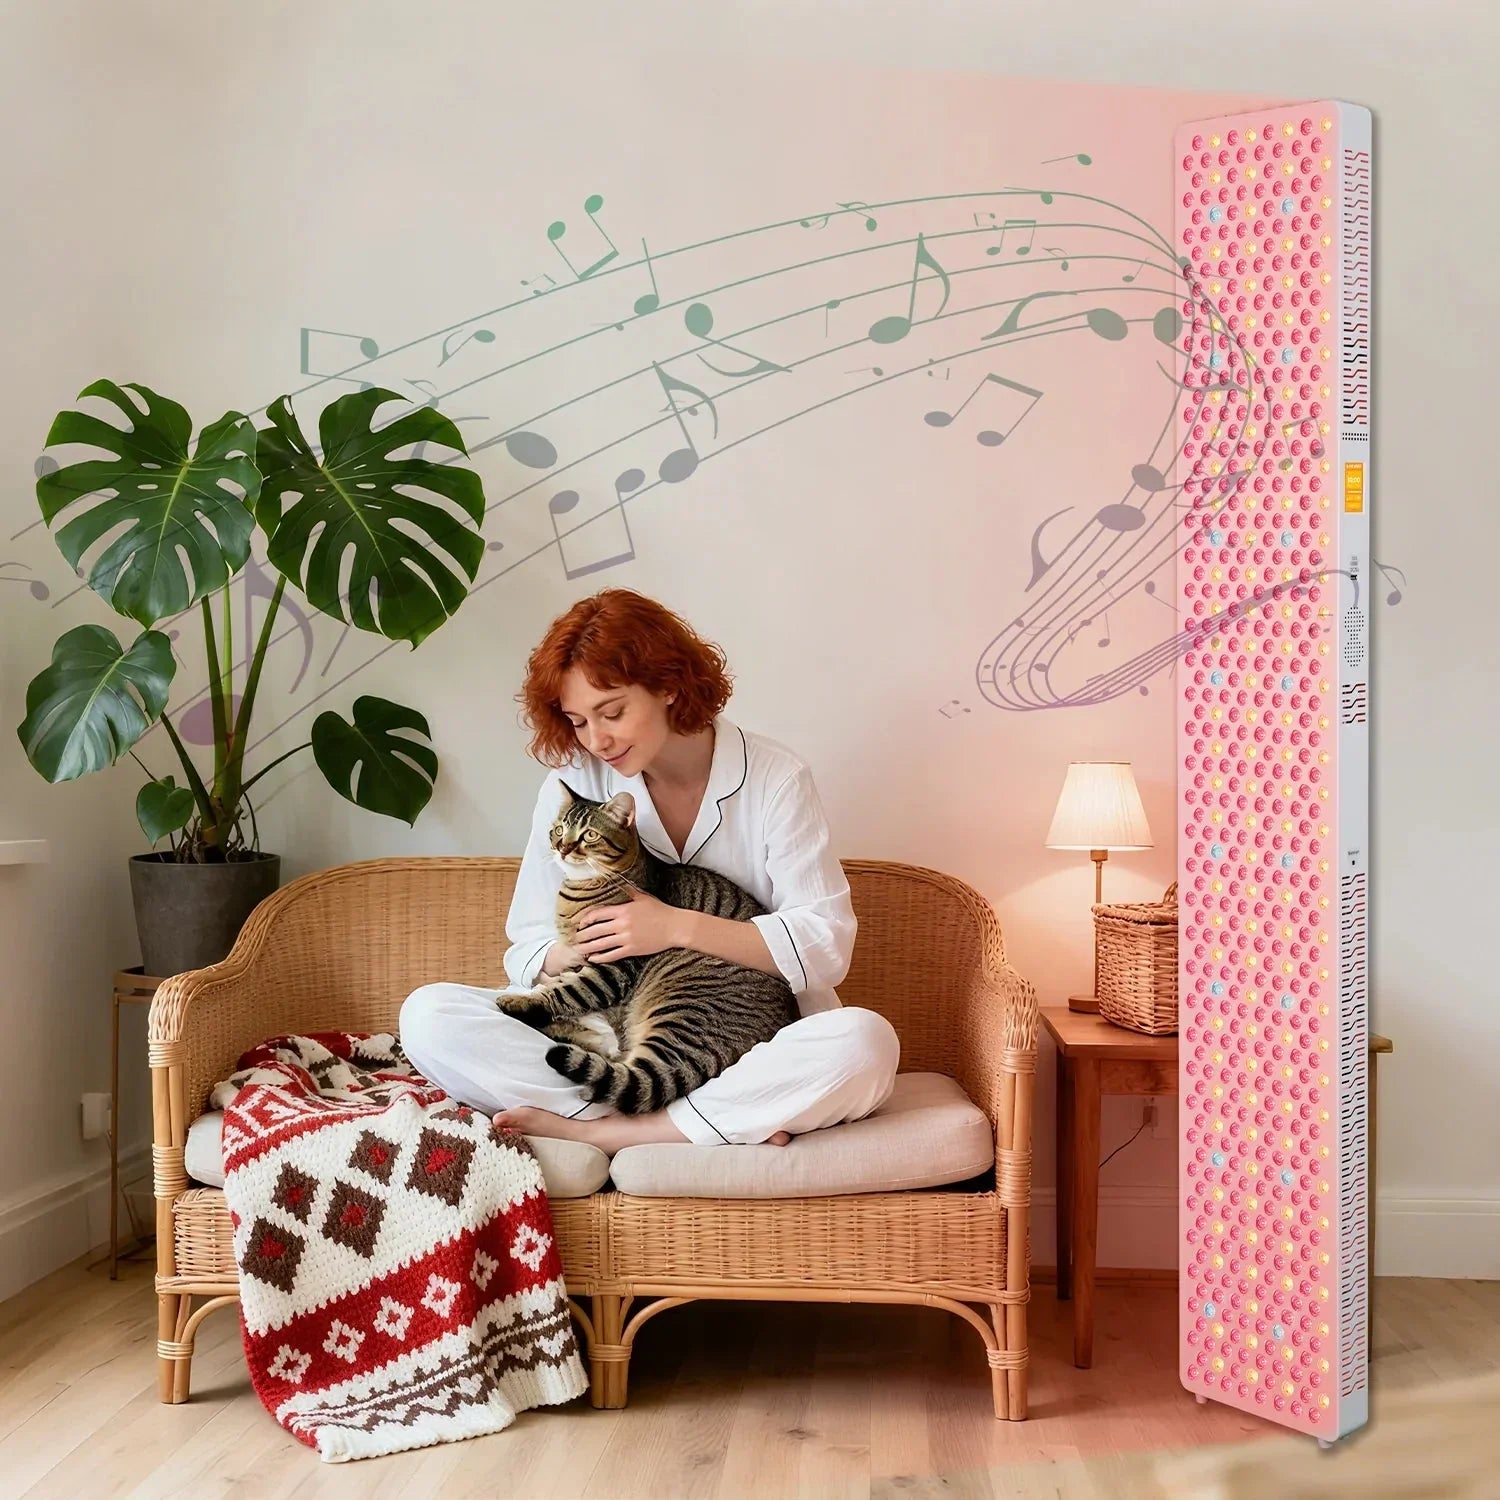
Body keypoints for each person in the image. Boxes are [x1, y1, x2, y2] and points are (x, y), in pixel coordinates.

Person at [399, 587, 900, 1155]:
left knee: (865, 1043)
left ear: (668, 685)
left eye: (612, 712)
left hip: (746, 1036)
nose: (596, 740)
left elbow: (826, 947)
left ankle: (620, 1129)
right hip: (608, 1021)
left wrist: (674, 928)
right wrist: (571, 952)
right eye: (578, 720)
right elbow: (526, 944)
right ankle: (717, 1118)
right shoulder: (578, 787)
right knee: (428, 1014)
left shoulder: (775, 777)